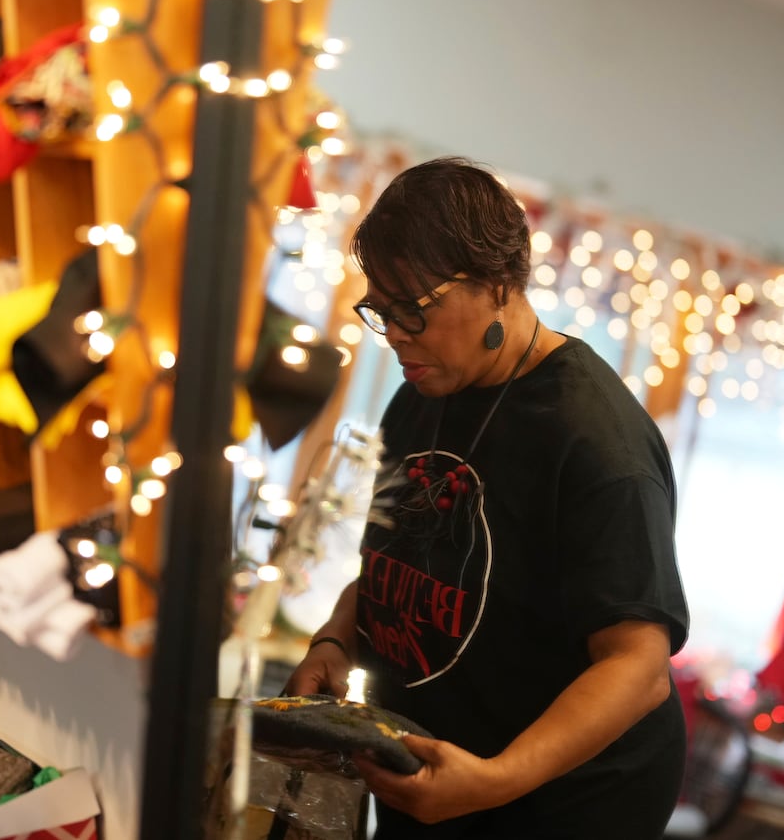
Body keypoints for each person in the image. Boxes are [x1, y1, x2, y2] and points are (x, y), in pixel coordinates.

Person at [286, 157, 689, 838]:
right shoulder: (421, 396)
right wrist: (336, 636)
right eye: (380, 310)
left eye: (413, 308)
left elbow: (638, 665)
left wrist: (496, 779)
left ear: (498, 284)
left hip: (559, 802)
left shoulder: (597, 442)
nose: (395, 335)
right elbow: (400, 560)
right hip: (445, 766)